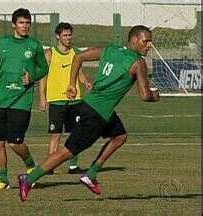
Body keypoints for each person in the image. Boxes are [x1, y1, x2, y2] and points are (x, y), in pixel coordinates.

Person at [18, 25, 160, 202]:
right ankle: (29, 179)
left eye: (150, 42)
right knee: (67, 152)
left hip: (94, 107)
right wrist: (156, 95)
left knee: (120, 136)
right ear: (134, 39)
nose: (149, 45)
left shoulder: (111, 49)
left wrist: (71, 83)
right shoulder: (138, 63)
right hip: (97, 115)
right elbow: (145, 95)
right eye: (146, 41)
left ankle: (91, 174)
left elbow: (78, 57)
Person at [0, 8, 49, 190]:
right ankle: (3, 180)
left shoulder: (34, 46)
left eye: (27, 23)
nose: (25, 26)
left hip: (21, 102)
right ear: (13, 24)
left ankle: (31, 167)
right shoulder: (1, 43)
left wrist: (32, 76)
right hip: (0, 101)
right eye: (21, 23)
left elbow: (44, 68)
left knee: (14, 143)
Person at [39, 22, 92, 175]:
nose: (68, 38)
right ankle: (49, 166)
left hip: (75, 99)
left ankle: (73, 166)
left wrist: (86, 83)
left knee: (76, 133)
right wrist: (43, 98)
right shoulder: (49, 54)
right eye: (65, 35)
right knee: (56, 134)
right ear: (58, 36)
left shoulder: (75, 52)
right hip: (56, 99)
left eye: (70, 35)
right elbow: (43, 77)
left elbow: (79, 73)